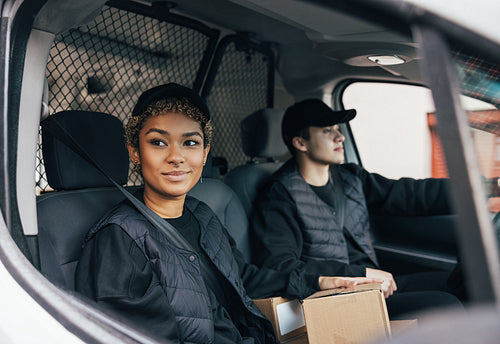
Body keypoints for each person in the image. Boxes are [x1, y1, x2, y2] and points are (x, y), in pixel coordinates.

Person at [75, 84, 380, 344]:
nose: (177, 157)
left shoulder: (201, 214)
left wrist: (320, 280)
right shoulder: (118, 239)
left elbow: (242, 278)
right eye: (158, 142)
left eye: (190, 143)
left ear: (204, 153)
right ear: (135, 152)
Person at [250, 98, 465, 318]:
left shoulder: (350, 178)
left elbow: (409, 194)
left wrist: (477, 190)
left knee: (466, 283)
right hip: (333, 300)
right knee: (446, 305)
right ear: (301, 143)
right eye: (327, 131)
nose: (340, 136)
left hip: (371, 286)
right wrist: (358, 273)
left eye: (337, 129)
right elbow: (280, 266)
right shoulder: (278, 196)